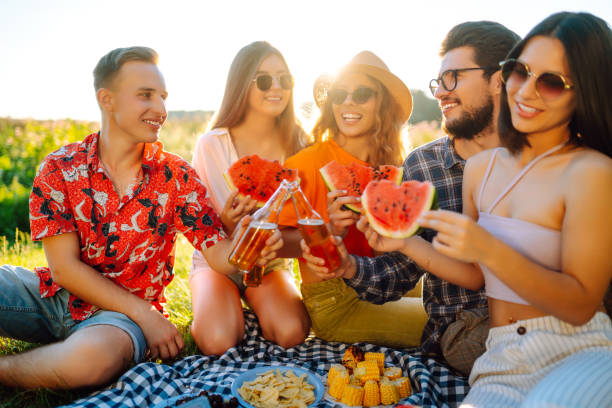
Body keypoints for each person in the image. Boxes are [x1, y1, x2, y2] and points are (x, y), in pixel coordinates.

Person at [360, 12, 612, 407]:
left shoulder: (592, 171)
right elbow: (476, 276)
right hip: (500, 356)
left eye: (551, 82)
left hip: (577, 349)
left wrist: (487, 247)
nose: (527, 92)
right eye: (520, 71)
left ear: (584, 93)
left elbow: (581, 303)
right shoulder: (481, 169)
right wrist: (405, 244)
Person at [0, 46, 282, 389]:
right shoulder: (60, 167)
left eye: (163, 97)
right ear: (108, 100)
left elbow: (217, 254)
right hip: (52, 295)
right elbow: (63, 268)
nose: (161, 109)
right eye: (146, 95)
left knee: (90, 361)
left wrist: (247, 245)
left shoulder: (176, 176)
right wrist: (148, 315)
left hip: (118, 323)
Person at [302, 22, 520, 375]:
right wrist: (349, 267)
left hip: (532, 313)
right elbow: (402, 269)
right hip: (464, 328)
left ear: (499, 80)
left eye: (453, 78)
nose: (439, 93)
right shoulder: (423, 164)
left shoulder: (535, 158)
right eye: (439, 82)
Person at [276, 50, 429, 349]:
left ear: (383, 104)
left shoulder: (397, 167)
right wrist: (328, 232)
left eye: (361, 94)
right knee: (444, 320)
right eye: (339, 94)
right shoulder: (305, 164)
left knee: (456, 303)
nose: (347, 102)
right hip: (337, 302)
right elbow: (278, 241)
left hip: (387, 282)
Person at [189, 41, 310, 356]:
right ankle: (220, 304)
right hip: (219, 261)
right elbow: (206, 230)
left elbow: (306, 228)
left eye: (285, 79)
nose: (277, 87)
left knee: (292, 332)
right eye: (264, 80)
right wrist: (229, 220)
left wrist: (278, 244)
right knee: (218, 340)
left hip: (271, 264)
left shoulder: (300, 144)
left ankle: (254, 308)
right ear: (242, 84)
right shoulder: (212, 144)